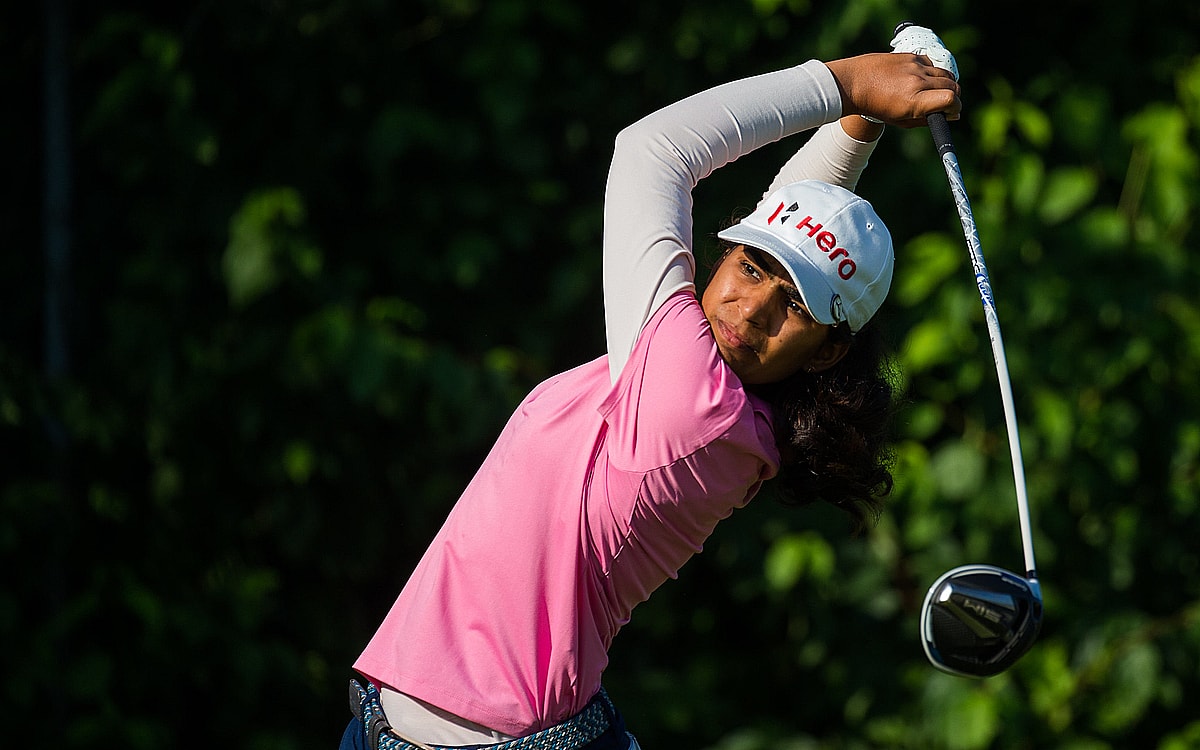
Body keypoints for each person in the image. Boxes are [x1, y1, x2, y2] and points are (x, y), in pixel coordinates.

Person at [340, 46, 961, 750]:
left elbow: (651, 151)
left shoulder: (689, 401)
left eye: (794, 306)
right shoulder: (747, 411)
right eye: (751, 266)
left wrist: (845, 80)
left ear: (826, 351)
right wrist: (861, 121)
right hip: (454, 723)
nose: (752, 307)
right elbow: (795, 218)